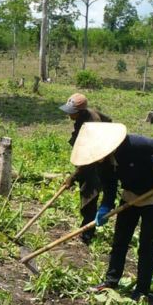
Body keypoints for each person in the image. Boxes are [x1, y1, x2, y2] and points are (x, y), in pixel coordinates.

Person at [70, 122, 153, 301]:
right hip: (130, 196)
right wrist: (105, 206)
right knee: (120, 240)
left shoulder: (133, 144)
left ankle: (142, 290)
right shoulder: (102, 162)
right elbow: (110, 185)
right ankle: (111, 281)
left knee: (147, 245)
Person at [59, 93, 112, 245]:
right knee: (87, 195)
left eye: (71, 111)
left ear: (81, 111)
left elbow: (88, 159)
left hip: (96, 164)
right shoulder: (86, 115)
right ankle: (86, 229)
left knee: (89, 196)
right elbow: (109, 120)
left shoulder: (91, 125)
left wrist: (73, 177)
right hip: (89, 160)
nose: (68, 114)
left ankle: (86, 234)